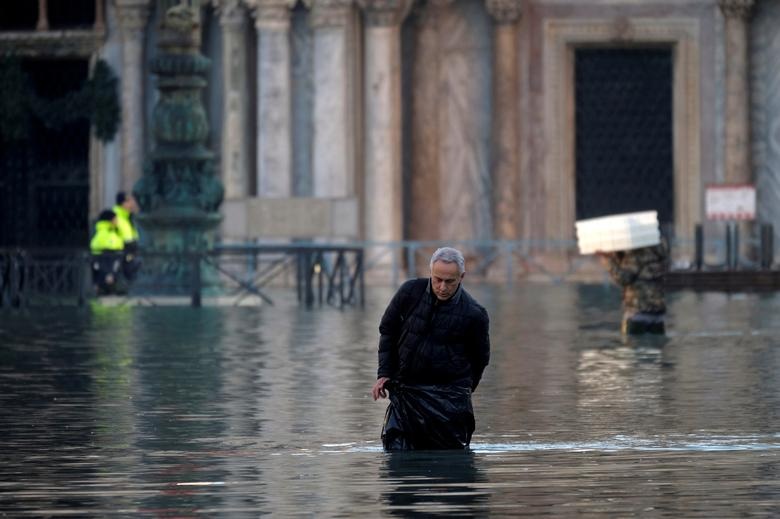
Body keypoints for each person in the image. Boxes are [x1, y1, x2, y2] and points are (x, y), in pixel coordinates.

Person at [372, 247, 490, 450]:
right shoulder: (410, 292)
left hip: (449, 399)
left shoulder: (475, 314)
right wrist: (384, 373)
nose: (442, 287)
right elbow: (388, 331)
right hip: (407, 392)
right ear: (430, 273)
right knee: (397, 455)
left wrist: (463, 392)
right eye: (437, 279)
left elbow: (480, 359)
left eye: (449, 281)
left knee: (449, 463)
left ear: (461, 277)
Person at [597, 241, 669, 334]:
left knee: (632, 346)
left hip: (637, 312)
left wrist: (606, 260)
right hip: (658, 314)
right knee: (657, 347)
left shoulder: (636, 252)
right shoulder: (660, 247)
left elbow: (623, 278)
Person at [89, 209, 124, 295]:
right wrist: (109, 273)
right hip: (106, 269)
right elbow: (102, 256)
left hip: (108, 268)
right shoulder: (105, 234)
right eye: (115, 219)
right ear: (110, 220)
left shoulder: (111, 232)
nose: (117, 221)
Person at [112, 191, 141, 282]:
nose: (132, 203)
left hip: (131, 253)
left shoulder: (129, 218)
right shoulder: (114, 216)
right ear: (122, 203)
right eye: (129, 201)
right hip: (121, 253)